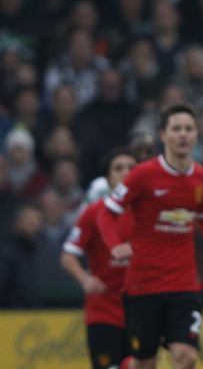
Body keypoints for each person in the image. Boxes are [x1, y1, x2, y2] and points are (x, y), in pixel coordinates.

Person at [98, 104, 203, 369]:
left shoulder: (201, 176)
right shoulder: (142, 175)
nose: (183, 134)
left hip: (185, 284)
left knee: (187, 357)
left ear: (196, 135)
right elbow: (107, 213)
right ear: (163, 135)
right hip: (144, 285)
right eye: (176, 129)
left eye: (189, 129)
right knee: (145, 363)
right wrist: (114, 245)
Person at [60, 147, 138, 369]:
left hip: (141, 308)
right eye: (118, 168)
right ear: (108, 178)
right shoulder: (94, 213)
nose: (126, 172)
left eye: (131, 167)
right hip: (104, 310)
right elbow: (68, 255)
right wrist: (84, 278)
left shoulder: (149, 212)